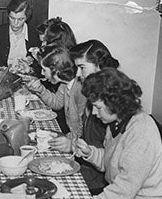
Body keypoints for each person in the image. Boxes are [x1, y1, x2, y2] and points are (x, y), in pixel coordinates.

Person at [75, 68, 162, 199]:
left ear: (114, 102)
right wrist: (90, 152)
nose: (94, 113)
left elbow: (125, 188)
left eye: (98, 107)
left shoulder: (141, 130)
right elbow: (110, 163)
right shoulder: (117, 122)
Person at [49, 39, 120, 189]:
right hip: (88, 162)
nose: (78, 74)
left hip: (100, 178)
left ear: (99, 66)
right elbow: (84, 134)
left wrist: (72, 146)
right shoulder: (93, 93)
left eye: (82, 67)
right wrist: (71, 141)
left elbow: (112, 159)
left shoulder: (112, 102)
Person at [26, 46, 86, 139]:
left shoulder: (80, 89)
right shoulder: (65, 84)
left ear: (56, 71)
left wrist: (70, 141)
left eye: (44, 70)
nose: (42, 73)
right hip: (72, 137)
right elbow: (56, 103)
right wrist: (41, 90)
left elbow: (83, 129)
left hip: (80, 142)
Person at [0, 0, 40, 68]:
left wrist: (31, 64)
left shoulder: (33, 33)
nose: (15, 23)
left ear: (27, 18)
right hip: (2, 74)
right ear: (8, 15)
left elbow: (39, 64)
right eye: (12, 18)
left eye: (20, 19)